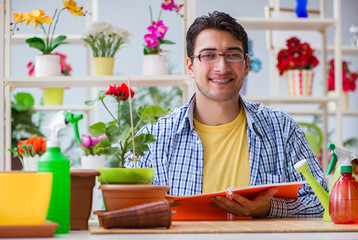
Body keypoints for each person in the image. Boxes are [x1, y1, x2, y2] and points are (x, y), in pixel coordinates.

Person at [126, 11, 327, 218]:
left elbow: (323, 202)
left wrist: (270, 208)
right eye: (208, 55)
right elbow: (126, 210)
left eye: (232, 55)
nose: (222, 67)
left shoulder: (282, 129)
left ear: (246, 64)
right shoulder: (153, 139)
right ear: (190, 67)